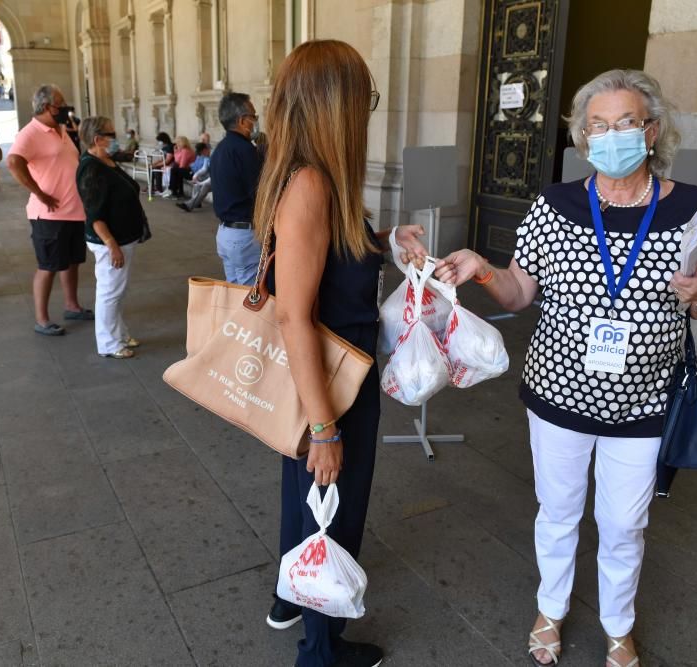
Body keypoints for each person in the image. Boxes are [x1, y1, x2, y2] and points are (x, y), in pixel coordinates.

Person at [428, 69, 697, 667]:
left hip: (645, 405)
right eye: (597, 125)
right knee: (559, 512)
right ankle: (551, 608)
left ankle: (618, 622)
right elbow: (518, 294)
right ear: (582, 137)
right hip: (559, 396)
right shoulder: (555, 205)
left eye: (625, 123)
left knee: (624, 525)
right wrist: (483, 270)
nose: (610, 135)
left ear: (652, 131)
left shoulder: (691, 207)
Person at [256, 39, 426, 667]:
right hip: (331, 382)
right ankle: (321, 653)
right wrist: (325, 426)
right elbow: (294, 313)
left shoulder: (312, 176)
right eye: (365, 98)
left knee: (301, 496)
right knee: (335, 509)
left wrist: (383, 240)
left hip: (323, 376)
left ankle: (288, 597)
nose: (368, 111)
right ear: (337, 105)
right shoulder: (310, 184)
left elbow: (328, 264)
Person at [7, 84, 91, 336]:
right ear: (46, 107)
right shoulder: (30, 132)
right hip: (49, 214)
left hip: (74, 210)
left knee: (72, 262)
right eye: (60, 104)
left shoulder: (61, 130)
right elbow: (13, 162)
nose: (65, 109)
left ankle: (72, 305)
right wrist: (39, 193)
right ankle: (42, 319)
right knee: (49, 266)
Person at [76, 116, 150, 359]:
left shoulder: (105, 160)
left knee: (118, 290)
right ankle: (108, 343)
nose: (115, 138)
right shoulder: (91, 168)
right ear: (98, 139)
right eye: (111, 134)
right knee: (109, 291)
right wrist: (111, 245)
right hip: (110, 241)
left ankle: (118, 333)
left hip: (124, 237)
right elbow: (94, 215)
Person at [208, 92, 263, 285]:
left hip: (225, 233)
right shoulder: (245, 151)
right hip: (244, 235)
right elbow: (260, 194)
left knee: (234, 292)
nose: (256, 121)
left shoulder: (221, 148)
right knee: (251, 297)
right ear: (242, 121)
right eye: (253, 116)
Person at [176, 142, 211, 212]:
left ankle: (190, 205)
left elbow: (212, 177)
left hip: (216, 181)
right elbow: (204, 169)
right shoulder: (208, 158)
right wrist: (196, 175)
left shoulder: (209, 158)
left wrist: (200, 182)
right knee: (199, 181)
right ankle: (194, 203)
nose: (208, 151)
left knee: (205, 185)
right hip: (209, 178)